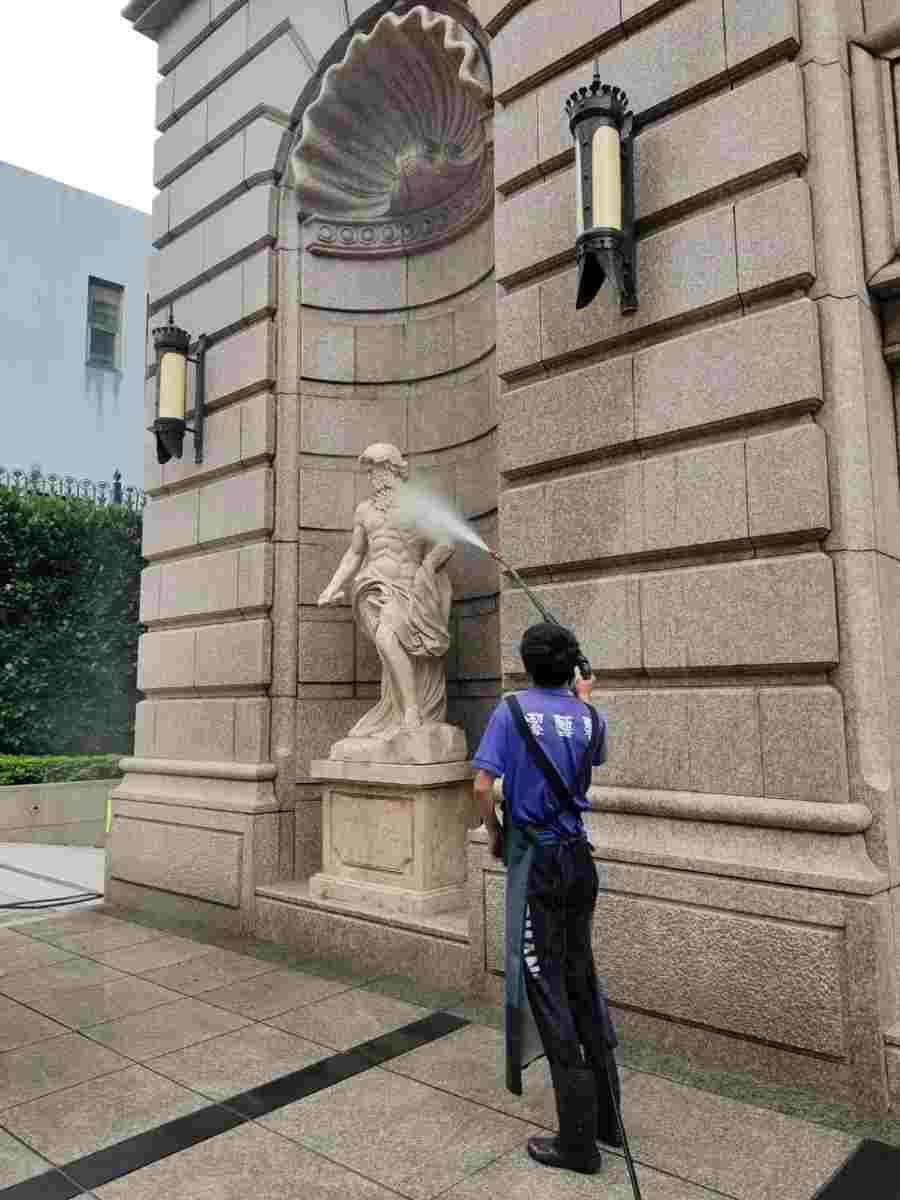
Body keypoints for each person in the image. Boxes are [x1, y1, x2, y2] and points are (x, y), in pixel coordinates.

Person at [472, 621, 621, 1175]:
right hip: (580, 861)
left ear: (526, 663)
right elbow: (592, 752)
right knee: (582, 979)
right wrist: (584, 697)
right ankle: (608, 1120)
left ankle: (578, 1143)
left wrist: (494, 832)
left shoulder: (511, 711)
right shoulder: (589, 716)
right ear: (570, 666)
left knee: (547, 986)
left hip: (538, 865)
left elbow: (482, 785)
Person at [318, 443, 455, 740]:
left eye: (377, 468)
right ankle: (408, 711)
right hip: (374, 588)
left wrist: (427, 568)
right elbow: (355, 553)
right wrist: (332, 587)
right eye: (370, 470)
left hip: (409, 587)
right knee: (386, 641)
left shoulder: (418, 504)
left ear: (393, 467)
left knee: (388, 640)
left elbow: (446, 542)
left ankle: (411, 711)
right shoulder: (364, 510)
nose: (373, 476)